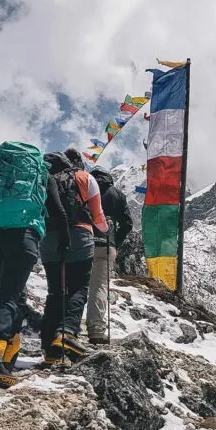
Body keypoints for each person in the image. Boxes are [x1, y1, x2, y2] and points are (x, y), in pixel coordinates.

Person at [0, 141, 48, 388]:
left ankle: (7, 356)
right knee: (8, 295)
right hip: (22, 237)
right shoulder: (40, 177)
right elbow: (54, 209)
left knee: (17, 295)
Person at [40, 149, 108, 362]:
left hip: (49, 238)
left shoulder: (42, 179)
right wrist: (105, 231)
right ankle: (67, 332)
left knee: (55, 291)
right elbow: (97, 216)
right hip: (79, 235)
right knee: (78, 287)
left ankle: (50, 350)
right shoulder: (84, 178)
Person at [86, 166, 133, 344]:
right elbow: (128, 223)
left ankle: (67, 329)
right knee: (99, 286)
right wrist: (116, 241)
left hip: (83, 241)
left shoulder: (85, 188)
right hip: (106, 245)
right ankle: (96, 330)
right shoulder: (118, 194)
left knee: (77, 284)